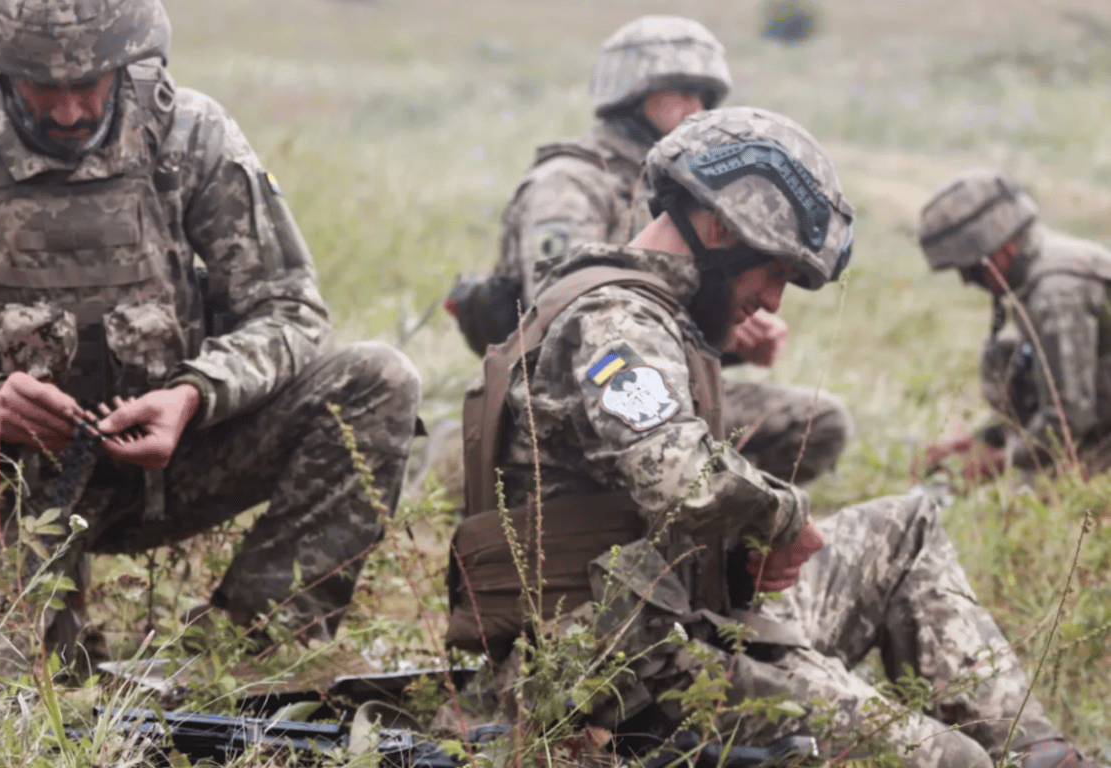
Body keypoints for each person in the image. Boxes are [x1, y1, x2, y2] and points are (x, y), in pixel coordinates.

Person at [444, 108, 1100, 767]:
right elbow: (683, 479)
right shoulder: (616, 319)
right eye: (776, 273)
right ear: (720, 226)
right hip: (629, 676)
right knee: (952, 761)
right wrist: (784, 515)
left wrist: (738, 550)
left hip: (677, 621)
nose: (774, 302)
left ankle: (1045, 756)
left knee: (907, 529)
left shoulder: (647, 313)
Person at [0, 0, 421, 667]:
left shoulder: (188, 137)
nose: (68, 111)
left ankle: (249, 651)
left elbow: (288, 307)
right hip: (12, 490)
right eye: (43, 85)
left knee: (378, 381)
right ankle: (53, 636)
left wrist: (197, 394)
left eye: (89, 82)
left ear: (128, 61)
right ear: (1, 68)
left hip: (184, 460)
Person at [445, 15, 851, 484]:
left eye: (703, 97)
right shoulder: (571, 183)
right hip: (576, 394)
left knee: (817, 421)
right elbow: (568, 313)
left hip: (659, 367)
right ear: (630, 96)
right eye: (678, 93)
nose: (695, 108)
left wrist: (729, 331)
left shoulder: (695, 185)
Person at [918, 167, 1111, 485]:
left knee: (1031, 497)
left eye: (970, 269)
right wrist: (984, 440)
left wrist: (999, 460)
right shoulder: (1042, 272)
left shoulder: (1056, 293)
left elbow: (1069, 418)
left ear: (1002, 250)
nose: (967, 282)